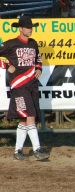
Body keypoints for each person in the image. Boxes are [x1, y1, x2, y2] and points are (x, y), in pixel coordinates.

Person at [0, 15, 50, 161]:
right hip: (19, 85)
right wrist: (6, 65)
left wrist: (39, 68)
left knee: (24, 119)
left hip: (32, 85)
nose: (30, 30)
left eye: (31, 27)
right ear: (21, 28)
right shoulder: (10, 44)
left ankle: (17, 151)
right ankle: (37, 149)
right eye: (28, 27)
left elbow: (38, 58)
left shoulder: (33, 43)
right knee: (30, 116)